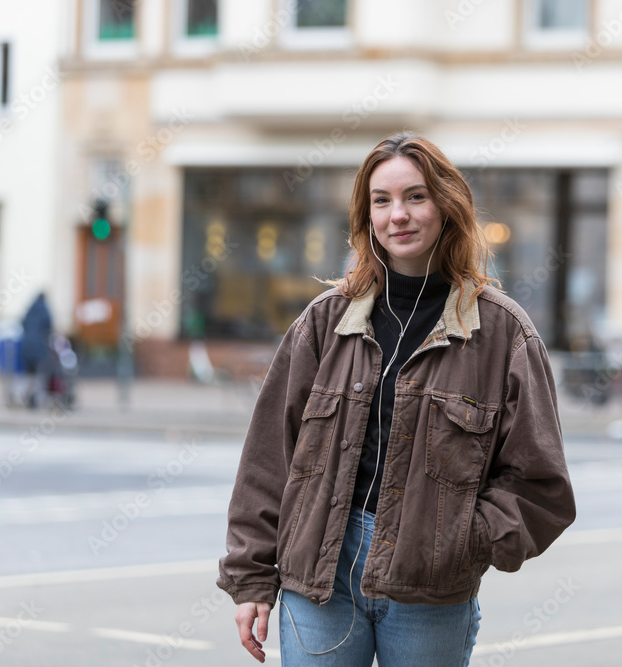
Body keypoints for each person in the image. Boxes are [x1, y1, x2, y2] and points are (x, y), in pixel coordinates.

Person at [217, 132, 576, 666]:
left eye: (415, 196)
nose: (398, 215)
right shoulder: (324, 323)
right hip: (320, 578)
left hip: (429, 595)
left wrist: (460, 541)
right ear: (367, 217)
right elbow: (269, 459)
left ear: (447, 207)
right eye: (381, 201)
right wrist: (250, 578)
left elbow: (542, 487)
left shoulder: (503, 334)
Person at [21, 291, 53, 409]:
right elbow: (49, 327)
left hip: (26, 346)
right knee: (40, 373)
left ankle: (26, 394)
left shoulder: (30, 310)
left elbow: (23, 323)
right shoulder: (45, 310)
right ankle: (38, 398)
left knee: (29, 373)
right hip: (39, 347)